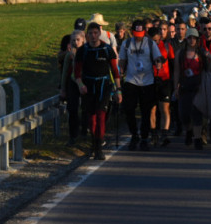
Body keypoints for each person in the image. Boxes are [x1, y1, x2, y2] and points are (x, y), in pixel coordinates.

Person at [74, 22, 122, 160]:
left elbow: (115, 71)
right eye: (91, 33)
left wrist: (118, 90)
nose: (93, 36)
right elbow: (76, 73)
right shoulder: (83, 51)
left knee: (101, 116)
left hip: (104, 86)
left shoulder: (107, 50)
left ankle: (99, 148)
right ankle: (94, 142)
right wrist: (80, 84)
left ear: (99, 34)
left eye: (96, 33)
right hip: (88, 86)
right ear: (87, 35)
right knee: (92, 118)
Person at [118, 20, 160, 151]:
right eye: (136, 33)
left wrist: (158, 63)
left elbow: (158, 58)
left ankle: (144, 137)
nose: (138, 36)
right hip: (131, 80)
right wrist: (120, 72)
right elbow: (122, 61)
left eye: (141, 34)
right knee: (129, 109)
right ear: (132, 32)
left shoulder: (151, 44)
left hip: (147, 81)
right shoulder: (126, 44)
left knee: (146, 112)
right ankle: (134, 134)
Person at [173, 27, 211, 150]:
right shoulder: (181, 53)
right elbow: (177, 71)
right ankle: (189, 130)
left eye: (194, 38)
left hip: (198, 86)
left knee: (197, 113)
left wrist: (209, 58)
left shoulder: (201, 53)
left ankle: (198, 138)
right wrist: (176, 87)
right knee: (184, 114)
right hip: (185, 86)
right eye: (189, 38)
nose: (192, 40)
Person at [60, 30, 85, 146]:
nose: (75, 42)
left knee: (86, 108)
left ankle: (84, 131)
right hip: (72, 82)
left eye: (78, 40)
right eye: (73, 40)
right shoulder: (69, 55)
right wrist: (63, 88)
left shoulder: (87, 52)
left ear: (83, 40)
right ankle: (73, 136)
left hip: (85, 82)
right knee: (72, 108)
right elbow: (65, 72)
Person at [151, 25, 175, 147]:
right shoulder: (147, 48)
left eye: (156, 40)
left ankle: (164, 134)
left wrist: (174, 81)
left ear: (160, 37)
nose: (154, 43)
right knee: (153, 109)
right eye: (152, 40)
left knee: (164, 108)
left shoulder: (166, 46)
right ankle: (154, 134)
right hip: (151, 80)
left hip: (165, 80)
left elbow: (172, 62)